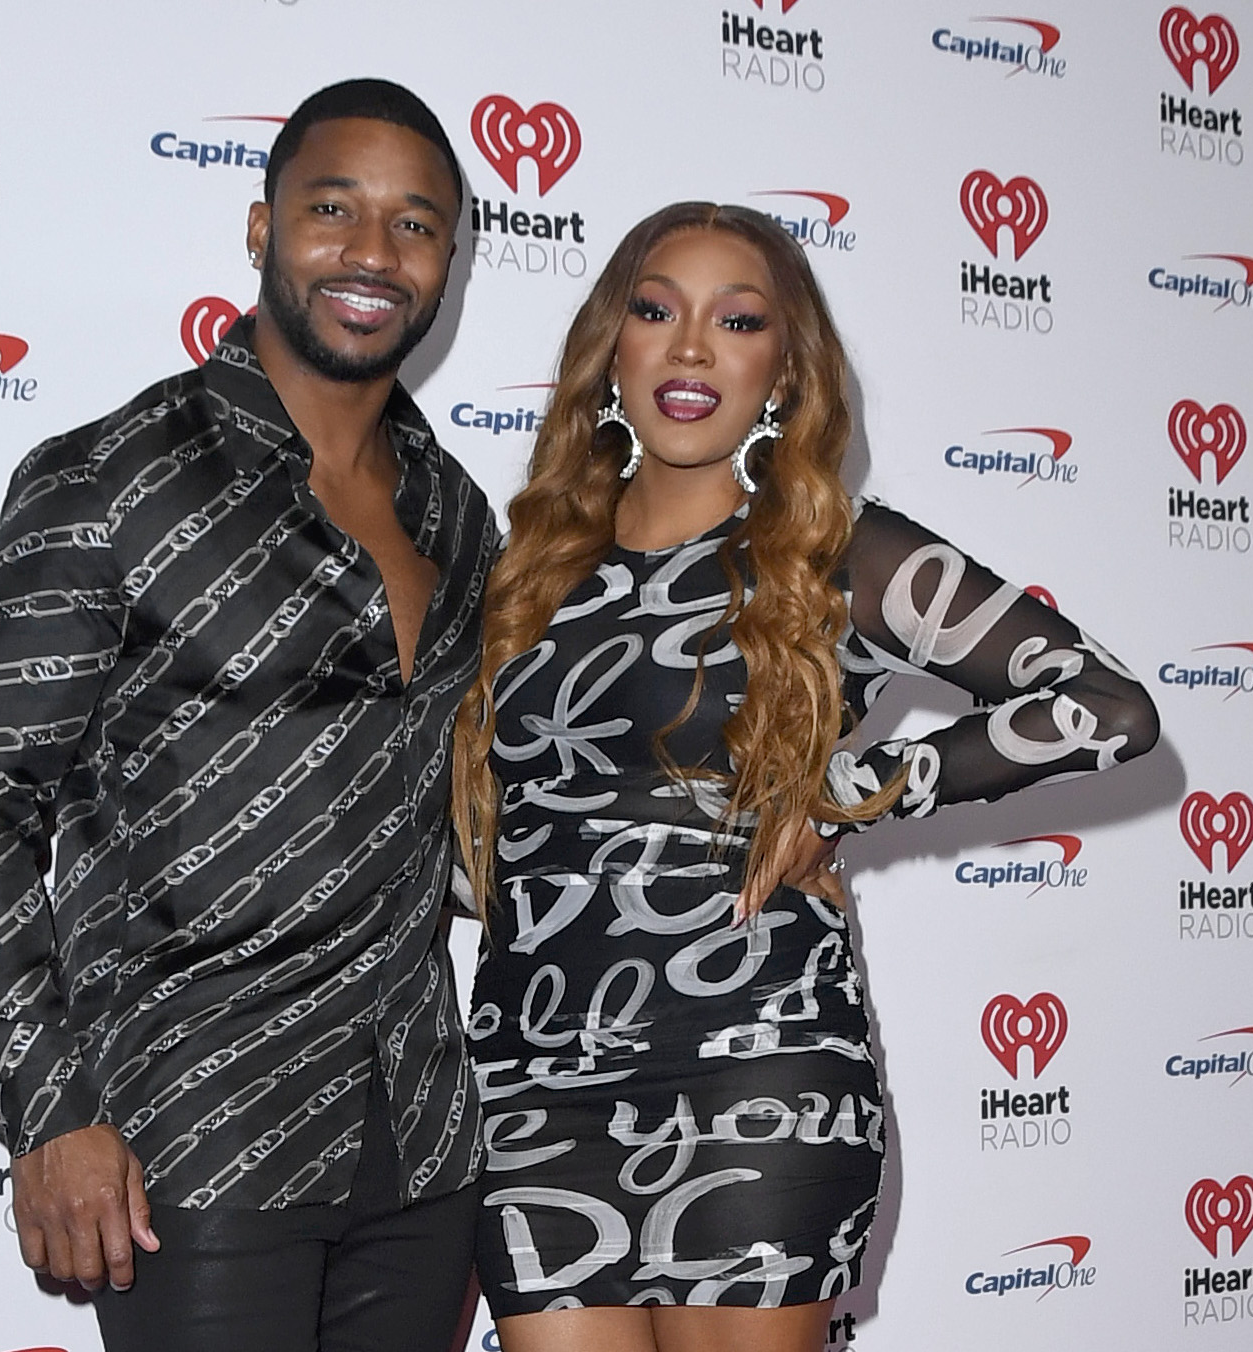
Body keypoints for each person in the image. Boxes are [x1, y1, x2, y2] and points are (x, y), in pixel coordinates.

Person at [451, 202, 1160, 1352]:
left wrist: (845, 793)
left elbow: (1105, 708)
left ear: (783, 371)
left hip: (758, 1074)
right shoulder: (524, 566)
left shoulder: (837, 551)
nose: (690, 347)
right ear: (609, 349)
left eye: (737, 320)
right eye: (654, 309)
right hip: (533, 1084)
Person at [0, 79, 494, 1352]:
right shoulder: (112, 479)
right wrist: (51, 1108)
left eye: (415, 225)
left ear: (448, 260)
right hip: (194, 1138)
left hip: (423, 1136)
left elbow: (470, 804)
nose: (372, 254)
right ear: (259, 227)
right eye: (332, 208)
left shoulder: (459, 513)